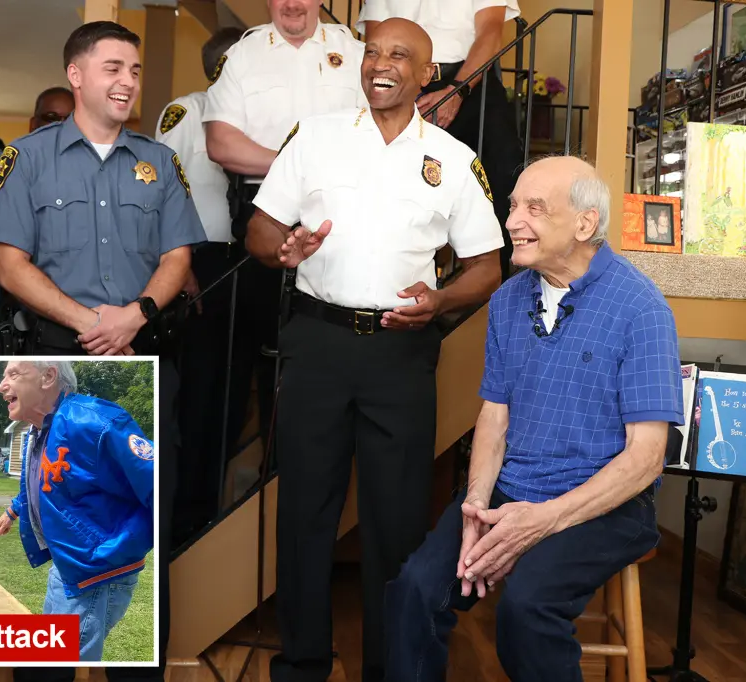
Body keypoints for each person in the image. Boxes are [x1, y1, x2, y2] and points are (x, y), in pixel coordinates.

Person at [246, 18, 504, 682]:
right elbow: (259, 230)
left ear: (427, 74)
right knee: (304, 515)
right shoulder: (316, 138)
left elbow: (486, 268)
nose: (379, 64)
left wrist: (441, 302)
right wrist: (283, 250)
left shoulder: (450, 159)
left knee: (395, 524)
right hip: (318, 345)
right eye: (371, 52)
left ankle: (393, 670)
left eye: (399, 55)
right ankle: (302, 665)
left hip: (401, 355)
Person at [384, 155, 683, 682]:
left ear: (585, 224)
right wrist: (476, 504)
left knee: (527, 608)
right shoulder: (505, 301)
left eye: (534, 209)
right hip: (509, 492)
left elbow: (644, 459)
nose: (512, 221)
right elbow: (494, 416)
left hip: (605, 503)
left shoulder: (642, 308)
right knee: (413, 590)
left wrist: (542, 522)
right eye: (513, 205)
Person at [0, 21, 203, 682]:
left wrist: (136, 315)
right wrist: (89, 322)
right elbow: (10, 264)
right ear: (76, 75)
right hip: (59, 351)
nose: (127, 81)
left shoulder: (157, 162)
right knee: (65, 510)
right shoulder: (26, 158)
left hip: (144, 352)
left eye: (134, 69)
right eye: (113, 68)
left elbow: (178, 254)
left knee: (145, 510)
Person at [203, 0, 369, 455]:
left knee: (322, 353)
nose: (292, 3)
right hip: (261, 217)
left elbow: (375, 132)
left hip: (340, 218)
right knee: (254, 356)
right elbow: (220, 141)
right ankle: (256, 474)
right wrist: (294, 168)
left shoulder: (353, 52)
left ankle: (304, 459)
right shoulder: (243, 54)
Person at [0, 360, 153, 660]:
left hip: (97, 575)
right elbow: (40, 484)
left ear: (48, 377)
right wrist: (14, 511)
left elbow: (158, 485)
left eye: (13, 374)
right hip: (67, 568)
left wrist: (113, 551)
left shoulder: (94, 422)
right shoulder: (38, 431)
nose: (1, 385)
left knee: (66, 666)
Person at [357, 0, 523, 280]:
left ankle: (500, 287)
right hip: (402, 78)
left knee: (503, 176)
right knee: (396, 181)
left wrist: (457, 90)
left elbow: (491, 32)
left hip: (471, 78)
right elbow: (378, 38)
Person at [155, 25, 243, 543]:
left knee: (234, 390)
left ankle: (212, 501)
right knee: (199, 390)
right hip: (199, 263)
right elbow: (162, 187)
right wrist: (178, 258)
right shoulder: (188, 110)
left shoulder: (266, 121)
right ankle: (184, 511)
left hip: (247, 262)